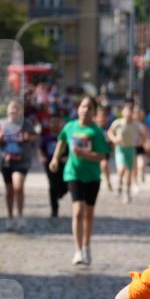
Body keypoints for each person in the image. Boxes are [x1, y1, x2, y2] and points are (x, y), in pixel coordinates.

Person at [49, 95, 108, 265]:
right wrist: (55, 158)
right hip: (73, 174)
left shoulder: (96, 131)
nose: (85, 110)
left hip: (92, 177)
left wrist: (86, 154)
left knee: (88, 214)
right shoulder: (70, 126)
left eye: (89, 108)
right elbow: (61, 141)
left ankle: (86, 246)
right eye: (83, 106)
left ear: (94, 112)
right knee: (77, 211)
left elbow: (102, 156)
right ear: (78, 109)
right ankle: (77, 251)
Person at [0, 99, 36, 230]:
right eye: (11, 108)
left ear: (21, 111)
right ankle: (10, 217)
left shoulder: (26, 124)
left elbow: (34, 137)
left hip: (22, 160)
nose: (14, 110)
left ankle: (20, 215)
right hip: (6, 161)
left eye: (16, 108)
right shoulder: (1, 123)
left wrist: (27, 137)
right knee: (9, 191)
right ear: (7, 110)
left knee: (18, 186)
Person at [108, 99, 141, 204]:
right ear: (122, 112)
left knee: (129, 172)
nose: (128, 114)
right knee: (122, 169)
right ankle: (119, 185)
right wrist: (114, 139)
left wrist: (141, 142)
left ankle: (127, 192)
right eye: (126, 111)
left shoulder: (136, 125)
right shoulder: (117, 123)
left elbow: (143, 135)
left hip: (130, 149)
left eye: (130, 112)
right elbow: (110, 132)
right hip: (120, 149)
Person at [38, 112, 67, 219]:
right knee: (52, 186)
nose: (54, 125)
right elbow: (40, 149)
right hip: (50, 165)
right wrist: (42, 157)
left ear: (61, 124)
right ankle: (54, 210)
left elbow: (70, 151)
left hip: (64, 165)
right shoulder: (46, 138)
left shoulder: (65, 137)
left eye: (56, 122)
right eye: (52, 122)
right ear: (49, 124)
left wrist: (67, 158)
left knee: (66, 184)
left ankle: (59, 194)